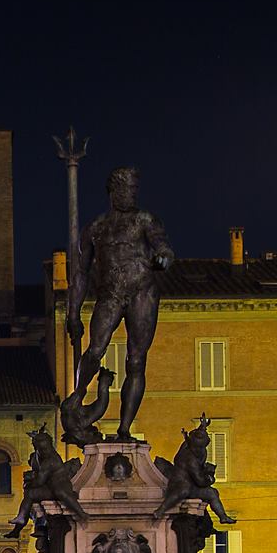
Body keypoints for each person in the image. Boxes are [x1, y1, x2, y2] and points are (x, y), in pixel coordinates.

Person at [62, 166, 174, 444]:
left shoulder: (146, 220)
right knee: (95, 349)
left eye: (135, 189)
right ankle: (78, 395)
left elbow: (164, 248)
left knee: (136, 361)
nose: (132, 194)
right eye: (127, 189)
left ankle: (124, 430)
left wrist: (164, 258)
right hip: (109, 295)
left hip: (142, 293)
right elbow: (80, 274)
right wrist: (72, 313)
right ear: (113, 191)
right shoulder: (95, 228)